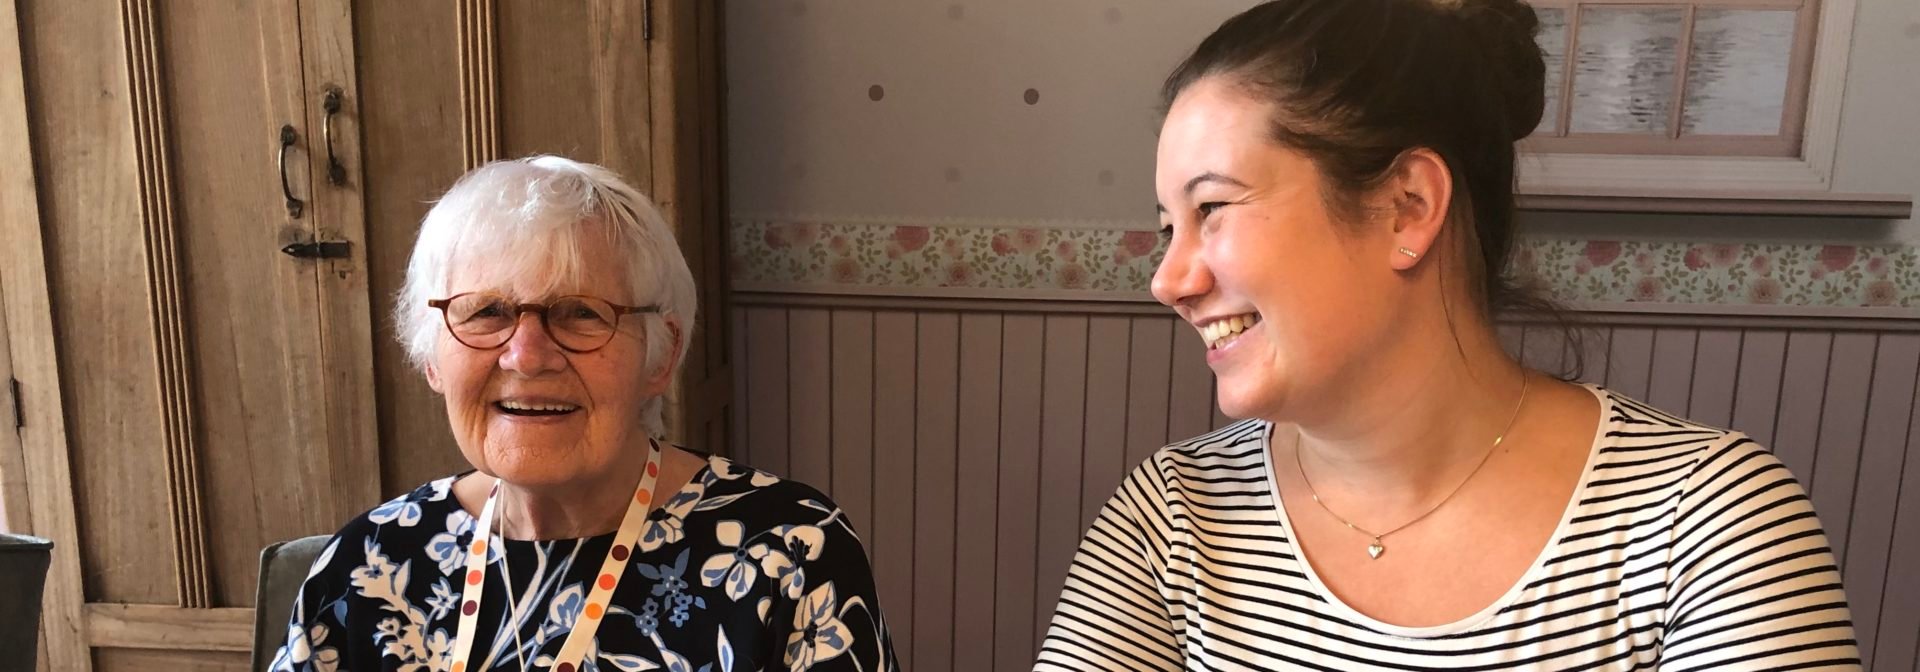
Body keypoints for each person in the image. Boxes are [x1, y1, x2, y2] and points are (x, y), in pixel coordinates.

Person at [1036, 1, 1860, 669]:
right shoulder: (1173, 515)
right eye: (1167, 228)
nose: (1169, 280)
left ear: (1408, 208)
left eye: (1212, 208)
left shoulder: (1706, 524)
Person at [271, 156, 896, 672]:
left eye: (580, 313)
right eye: (486, 312)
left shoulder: (789, 555)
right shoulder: (369, 563)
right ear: (432, 356)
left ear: (660, 355)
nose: (526, 356)